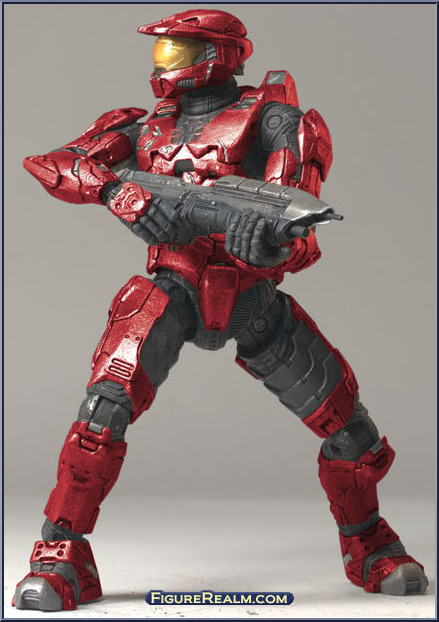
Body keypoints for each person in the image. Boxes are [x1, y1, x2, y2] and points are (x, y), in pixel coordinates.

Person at [14, 8, 427, 611]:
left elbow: (301, 232)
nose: (165, 64)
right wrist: (118, 191)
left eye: (179, 51)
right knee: (101, 414)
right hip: (174, 284)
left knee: (355, 437)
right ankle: (61, 554)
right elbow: (52, 163)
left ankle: (367, 541)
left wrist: (269, 247)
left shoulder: (275, 121)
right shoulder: (143, 127)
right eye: (164, 52)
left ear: (223, 54)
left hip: (251, 297)